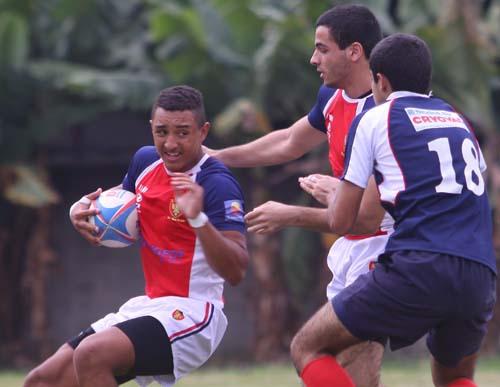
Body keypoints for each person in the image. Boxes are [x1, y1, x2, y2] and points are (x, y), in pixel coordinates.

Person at [292, 33, 497, 387]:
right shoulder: (457, 120)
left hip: (420, 265)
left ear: (380, 80)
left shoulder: (375, 118)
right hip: (480, 272)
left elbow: (343, 220)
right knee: (453, 378)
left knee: (307, 347)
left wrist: (331, 194)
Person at [209, 5, 389, 385]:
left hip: (386, 245)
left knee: (321, 350)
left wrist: (293, 212)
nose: (313, 58)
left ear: (354, 51)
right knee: (349, 367)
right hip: (351, 242)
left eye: (322, 49)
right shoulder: (331, 98)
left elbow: (373, 211)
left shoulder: (388, 107)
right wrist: (217, 158)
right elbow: (290, 141)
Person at [23, 85, 250, 387]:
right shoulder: (145, 162)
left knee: (92, 354)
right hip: (150, 304)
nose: (170, 143)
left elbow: (236, 270)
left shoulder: (217, 183)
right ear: (151, 129)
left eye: (182, 133)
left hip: (195, 312)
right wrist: (81, 207)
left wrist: (197, 218)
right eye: (161, 132)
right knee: (42, 381)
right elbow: (120, 197)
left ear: (203, 131)